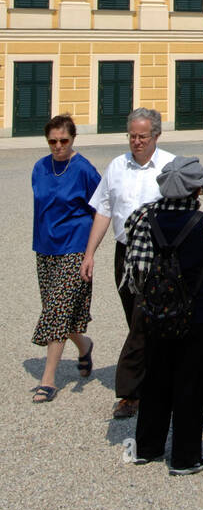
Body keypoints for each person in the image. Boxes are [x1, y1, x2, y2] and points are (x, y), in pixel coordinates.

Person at [121, 157, 203, 475]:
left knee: (156, 378)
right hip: (198, 309)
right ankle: (185, 457)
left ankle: (147, 447)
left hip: (156, 307)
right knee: (192, 382)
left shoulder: (144, 216)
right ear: (196, 189)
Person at [80, 109, 175, 419]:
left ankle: (131, 392)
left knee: (142, 322)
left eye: (142, 136)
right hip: (125, 254)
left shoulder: (170, 166)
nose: (137, 141)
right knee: (133, 317)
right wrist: (90, 253)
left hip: (158, 255)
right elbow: (104, 211)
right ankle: (151, 379)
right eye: (132, 136)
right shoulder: (116, 167)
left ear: (156, 136)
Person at [30, 115, 102, 402]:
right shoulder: (39, 167)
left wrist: (90, 253)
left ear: (73, 139)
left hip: (75, 247)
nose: (58, 146)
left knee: (57, 311)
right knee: (57, 310)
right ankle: (84, 346)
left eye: (63, 141)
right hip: (45, 247)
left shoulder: (84, 169)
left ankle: (48, 380)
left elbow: (101, 208)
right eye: (52, 141)